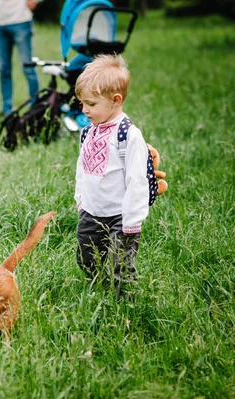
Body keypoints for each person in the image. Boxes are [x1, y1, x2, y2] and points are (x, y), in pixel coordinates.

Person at [74, 54, 149, 298]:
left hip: (121, 216)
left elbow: (137, 180)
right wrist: (81, 199)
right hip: (91, 211)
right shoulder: (88, 132)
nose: (84, 110)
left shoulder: (128, 135)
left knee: (122, 266)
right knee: (86, 260)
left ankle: (126, 308)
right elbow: (82, 168)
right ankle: (97, 293)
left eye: (91, 104)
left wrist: (132, 219)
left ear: (115, 100)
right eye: (82, 104)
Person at [0, 0, 40, 117]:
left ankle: (35, 107)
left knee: (28, 67)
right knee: (3, 68)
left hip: (20, 19)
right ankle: (7, 109)